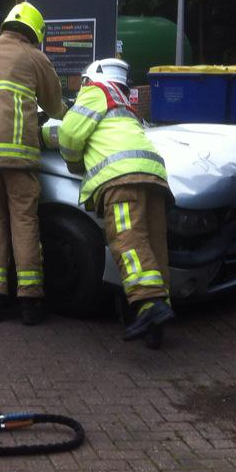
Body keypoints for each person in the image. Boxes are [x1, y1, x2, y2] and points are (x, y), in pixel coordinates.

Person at [57, 58, 173, 348]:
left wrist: (73, 162)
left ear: (89, 78)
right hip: (153, 176)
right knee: (154, 246)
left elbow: (70, 135)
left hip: (122, 179)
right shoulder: (123, 104)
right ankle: (157, 316)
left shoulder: (95, 91)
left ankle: (148, 303)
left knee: (127, 239)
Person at [0, 2, 66, 325]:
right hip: (18, 157)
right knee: (23, 222)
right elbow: (55, 108)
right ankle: (30, 302)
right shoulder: (35, 57)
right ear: (35, 32)